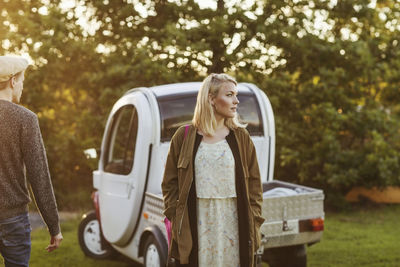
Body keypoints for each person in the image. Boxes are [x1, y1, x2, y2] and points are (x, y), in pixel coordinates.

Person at [162, 73, 264, 267]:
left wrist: (255, 221)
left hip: (234, 222)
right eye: (229, 95)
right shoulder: (183, 137)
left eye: (236, 95)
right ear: (211, 98)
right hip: (198, 222)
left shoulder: (241, 138)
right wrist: (176, 219)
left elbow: (255, 186)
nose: (236, 101)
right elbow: (169, 184)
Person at [0, 56, 63, 267]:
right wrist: (53, 226)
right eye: (22, 80)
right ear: (12, 81)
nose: (23, 86)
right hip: (13, 220)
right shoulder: (26, 119)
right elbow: (39, 176)